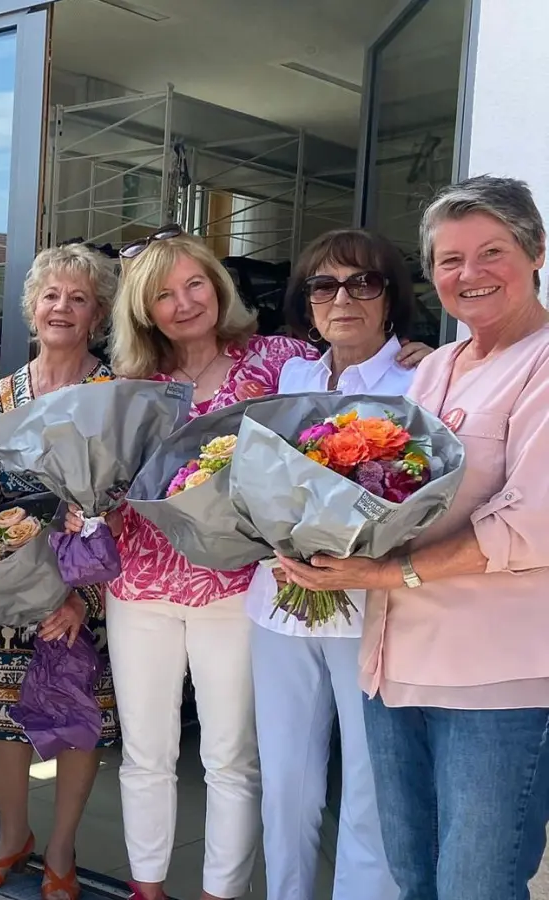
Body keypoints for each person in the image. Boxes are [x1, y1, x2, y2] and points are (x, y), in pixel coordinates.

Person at [94, 227, 428, 900]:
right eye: (163, 293)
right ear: (143, 310)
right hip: (151, 582)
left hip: (245, 587)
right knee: (155, 753)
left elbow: (349, 366)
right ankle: (150, 888)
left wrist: (419, 355)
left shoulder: (277, 360)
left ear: (218, 286)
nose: (184, 302)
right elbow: (105, 474)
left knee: (241, 760)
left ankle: (224, 892)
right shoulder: (129, 384)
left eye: (194, 283)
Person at [277, 175, 549, 899]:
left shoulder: (544, 364)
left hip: (493, 683)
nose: (470, 274)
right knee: (413, 877)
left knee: (476, 884)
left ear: (537, 252)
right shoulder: (434, 371)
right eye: (449, 260)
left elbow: (531, 525)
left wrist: (377, 577)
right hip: (393, 669)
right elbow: (384, 494)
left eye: (491, 252)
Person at [246, 229, 422, 900]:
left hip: (368, 608)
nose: (342, 298)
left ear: (390, 299)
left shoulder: (420, 377)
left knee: (372, 788)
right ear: (307, 301)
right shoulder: (292, 376)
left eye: (362, 283)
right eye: (324, 285)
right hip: (281, 599)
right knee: (285, 780)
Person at [0, 244, 118, 900]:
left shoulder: (113, 393)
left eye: (78, 298)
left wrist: (82, 596)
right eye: (52, 295)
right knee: (4, 715)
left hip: (84, 589)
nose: (62, 307)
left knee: (77, 713)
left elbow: (122, 502)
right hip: (10, 587)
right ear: (32, 307)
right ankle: (12, 837)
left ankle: (60, 848)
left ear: (97, 316)